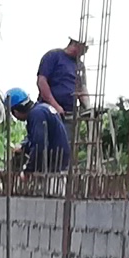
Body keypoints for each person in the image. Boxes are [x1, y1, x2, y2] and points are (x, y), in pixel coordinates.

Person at [35, 36, 87, 170]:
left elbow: (82, 89)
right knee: (45, 146)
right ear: (75, 44)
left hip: (68, 115)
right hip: (48, 111)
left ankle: (59, 177)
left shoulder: (80, 65)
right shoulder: (53, 56)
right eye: (84, 48)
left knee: (64, 151)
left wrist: (88, 108)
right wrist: (55, 106)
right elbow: (42, 82)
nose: (85, 52)